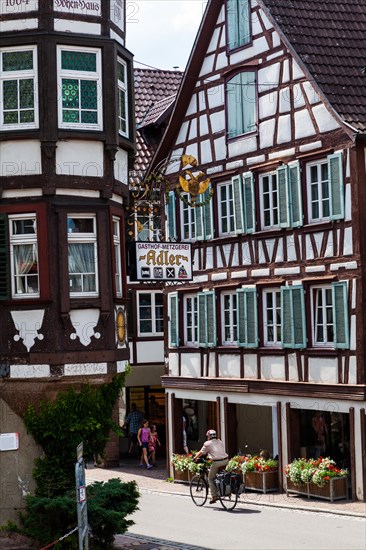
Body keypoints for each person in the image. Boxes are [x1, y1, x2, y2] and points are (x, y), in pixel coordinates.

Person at [194, 429, 228, 504]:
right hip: (226, 461)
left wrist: (195, 458)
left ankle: (214, 496)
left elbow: (201, 452)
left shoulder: (207, 443)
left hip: (217, 463)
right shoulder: (220, 441)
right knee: (219, 475)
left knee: (210, 479)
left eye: (207, 436)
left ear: (209, 436)